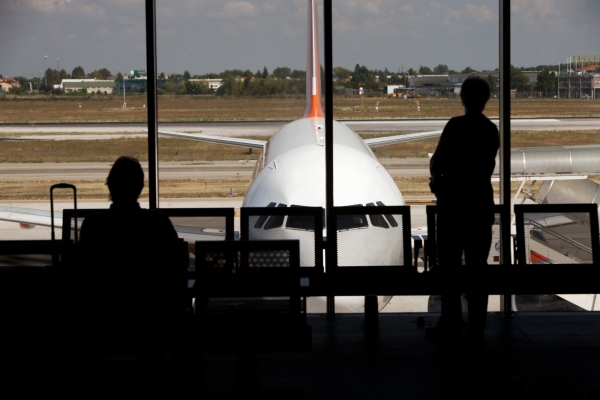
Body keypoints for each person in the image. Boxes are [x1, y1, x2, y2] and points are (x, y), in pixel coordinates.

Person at [427, 76, 499, 341]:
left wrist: (439, 185)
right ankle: (477, 326)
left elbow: (436, 162)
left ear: (463, 98)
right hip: (480, 204)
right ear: (486, 100)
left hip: (454, 206)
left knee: (450, 268)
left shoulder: (455, 126)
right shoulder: (491, 130)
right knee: (478, 269)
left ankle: (451, 320)